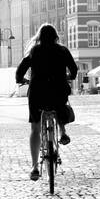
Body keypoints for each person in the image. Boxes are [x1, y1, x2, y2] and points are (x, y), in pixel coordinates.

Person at [15, 23, 78, 181]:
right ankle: (63, 132)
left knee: (35, 129)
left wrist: (21, 80)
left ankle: (35, 166)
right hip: (58, 90)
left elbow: (20, 70)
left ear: (39, 37)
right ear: (56, 36)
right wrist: (68, 77)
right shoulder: (63, 50)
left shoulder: (34, 51)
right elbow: (74, 70)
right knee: (59, 105)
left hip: (38, 93)